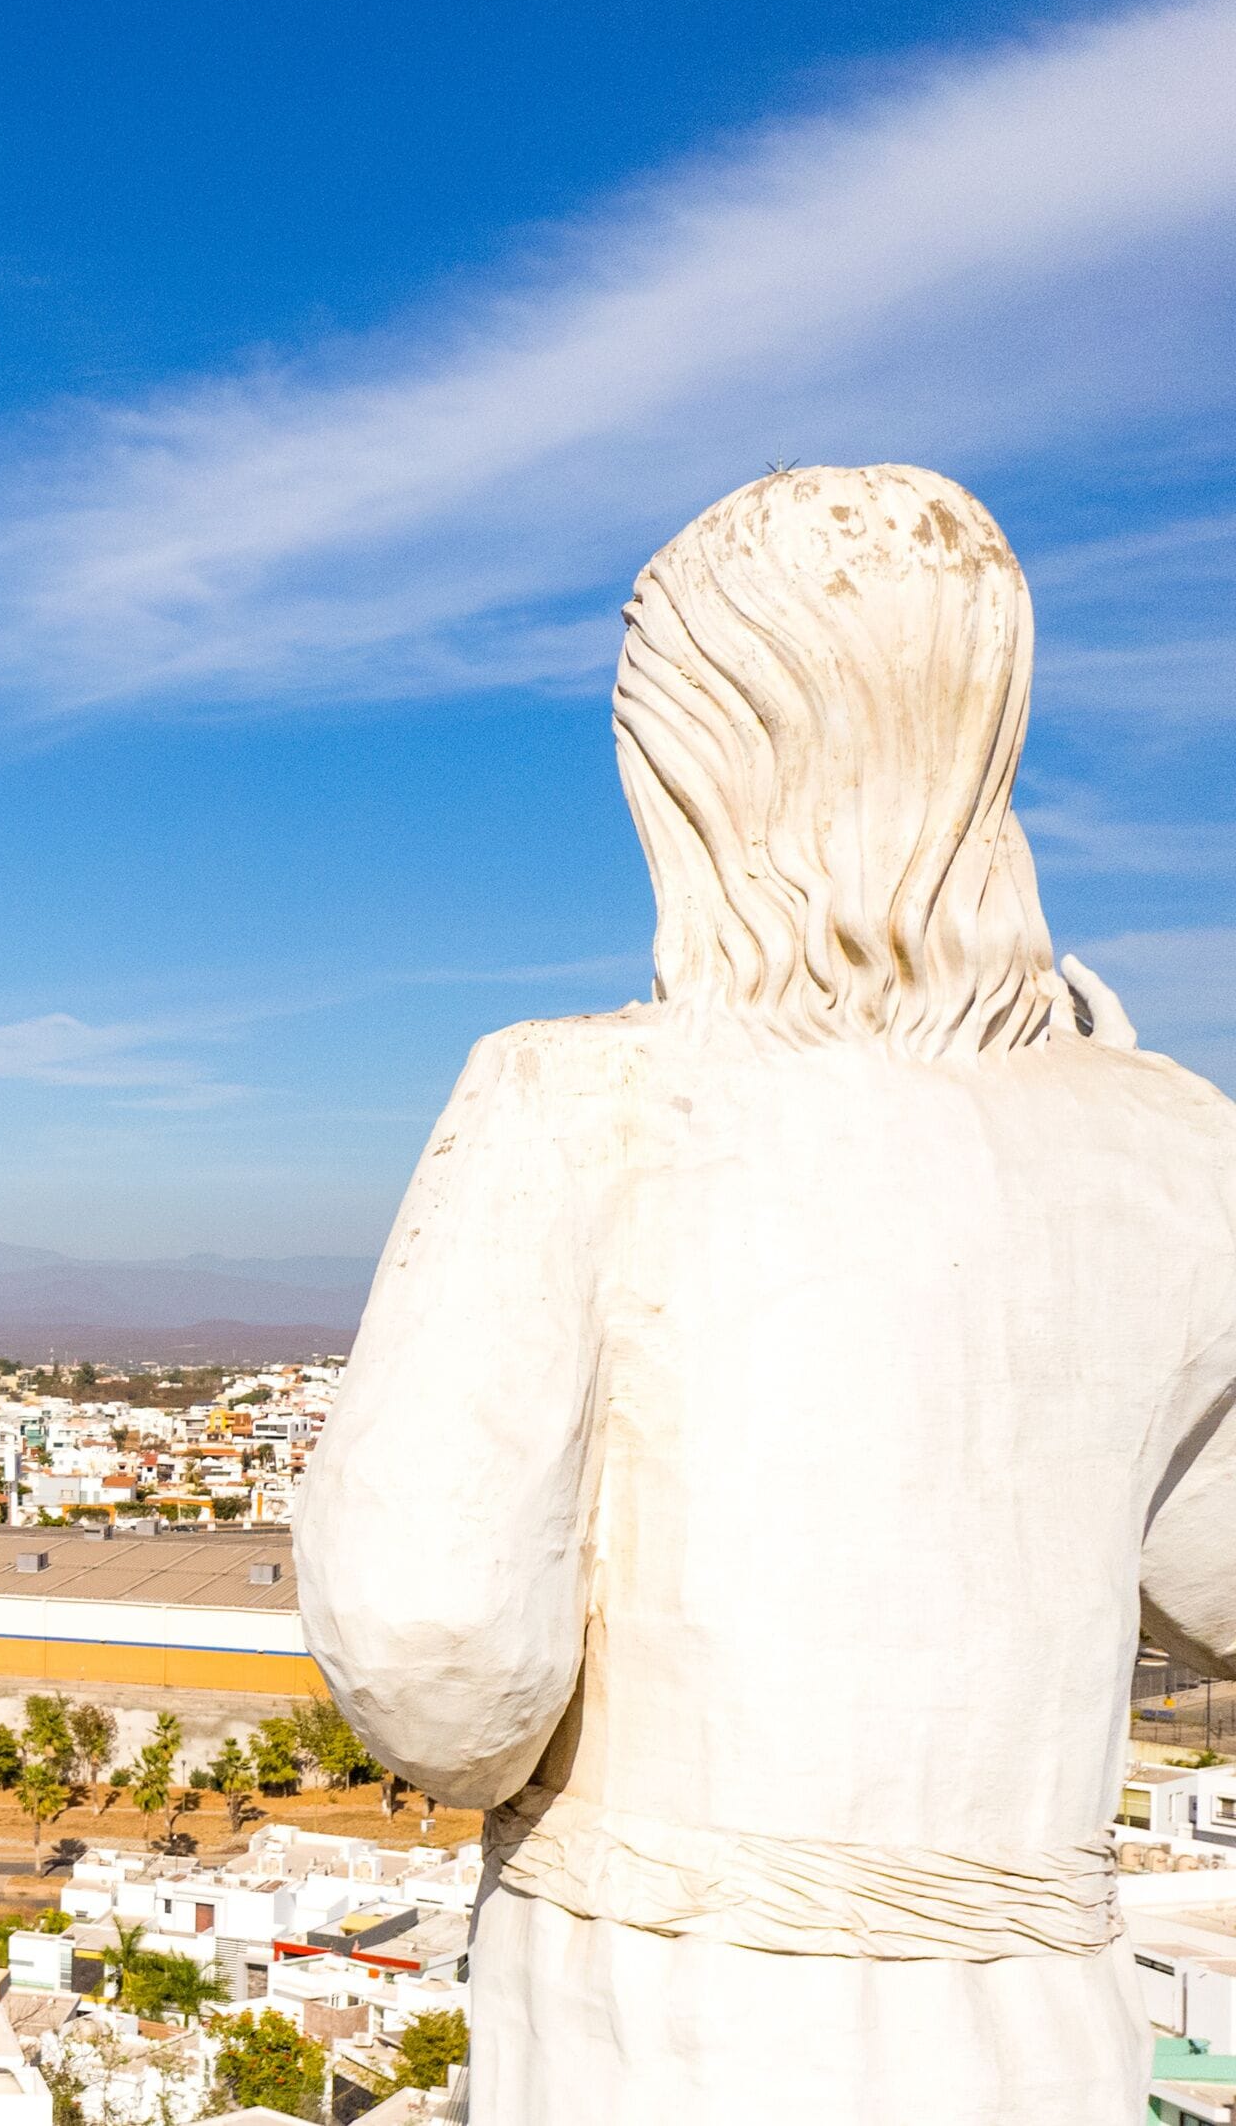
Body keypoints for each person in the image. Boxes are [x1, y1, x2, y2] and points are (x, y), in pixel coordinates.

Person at [300, 464, 1236, 2123]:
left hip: (657, 2022)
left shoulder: (578, 1099)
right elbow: (1213, 1581)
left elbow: (437, 1652)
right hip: (1048, 2046)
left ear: (697, 773)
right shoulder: (1182, 1143)